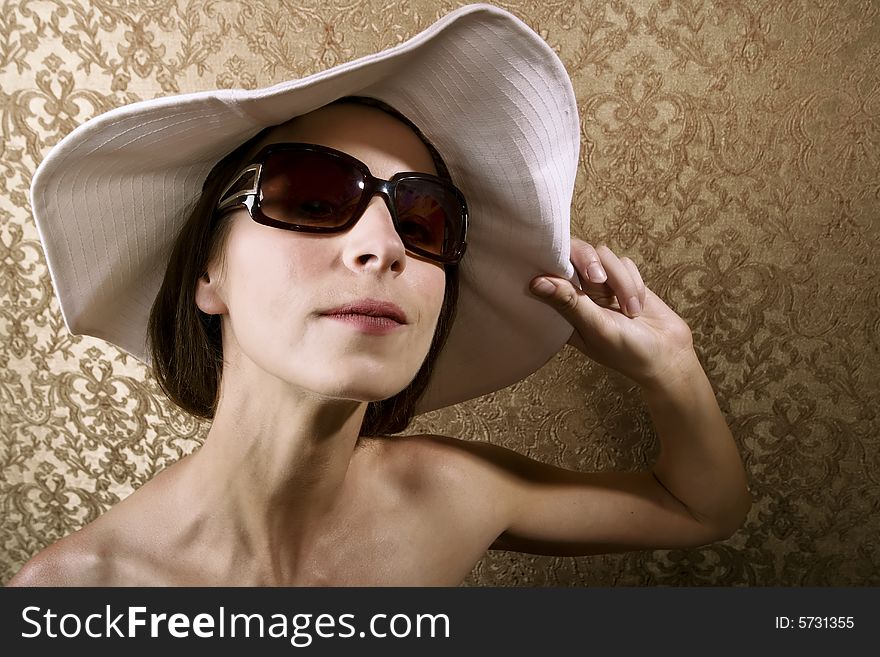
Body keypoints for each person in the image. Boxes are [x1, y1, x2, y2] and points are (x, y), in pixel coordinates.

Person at [9, 4, 750, 586]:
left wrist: (671, 368)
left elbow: (701, 507)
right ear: (209, 274)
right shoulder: (73, 597)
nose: (385, 246)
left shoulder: (451, 496)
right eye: (310, 198)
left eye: (426, 218)